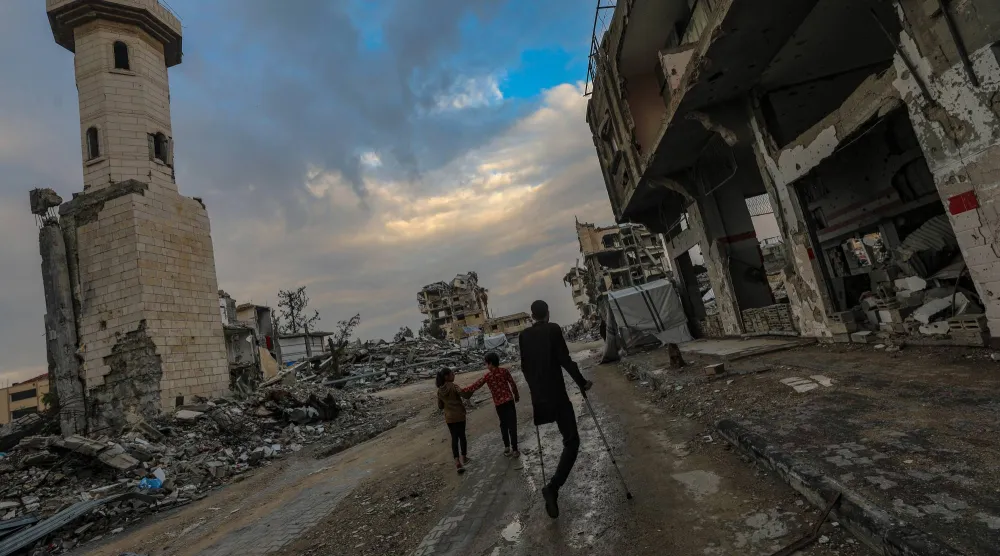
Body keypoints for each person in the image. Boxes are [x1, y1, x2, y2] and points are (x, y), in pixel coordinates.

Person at [518, 299, 593, 518]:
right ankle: (553, 486)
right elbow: (565, 360)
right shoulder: (553, 329)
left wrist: (535, 393)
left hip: (539, 399)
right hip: (557, 396)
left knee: (569, 440)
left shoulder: (523, 336)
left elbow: (525, 367)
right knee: (572, 441)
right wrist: (581, 382)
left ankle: (552, 488)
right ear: (547, 313)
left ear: (532, 315)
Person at [464, 351, 521, 457]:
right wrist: (516, 396)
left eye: (486, 364)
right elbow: (512, 384)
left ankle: (507, 447)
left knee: (503, 425)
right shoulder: (504, 371)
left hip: (499, 404)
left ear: (490, 363)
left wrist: (462, 390)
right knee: (512, 425)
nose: (486, 366)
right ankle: (515, 450)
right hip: (509, 401)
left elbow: (475, 386)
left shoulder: (487, 376)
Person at [436, 368, 475, 474]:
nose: (454, 375)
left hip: (449, 418)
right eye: (452, 374)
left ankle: (457, 462)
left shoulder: (439, 390)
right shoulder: (454, 386)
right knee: (462, 436)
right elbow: (464, 395)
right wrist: (472, 390)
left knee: (454, 438)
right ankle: (464, 458)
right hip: (459, 416)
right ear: (446, 377)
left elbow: (440, 406)